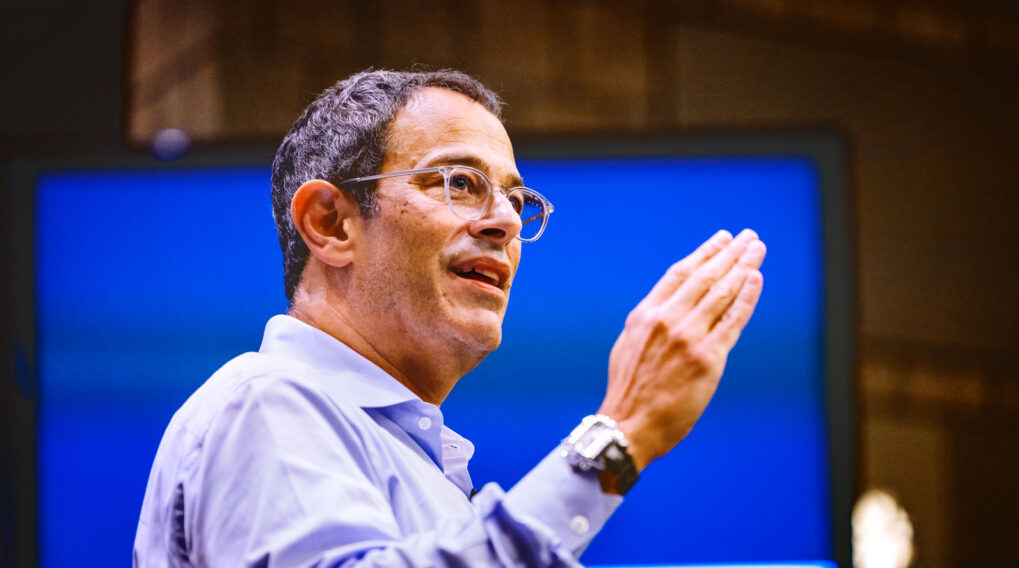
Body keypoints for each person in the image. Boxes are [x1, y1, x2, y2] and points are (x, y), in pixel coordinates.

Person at [133, 69, 766, 567]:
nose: (507, 222)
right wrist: (617, 437)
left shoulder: (422, 458)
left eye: (517, 199)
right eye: (460, 182)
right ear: (331, 223)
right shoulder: (266, 404)